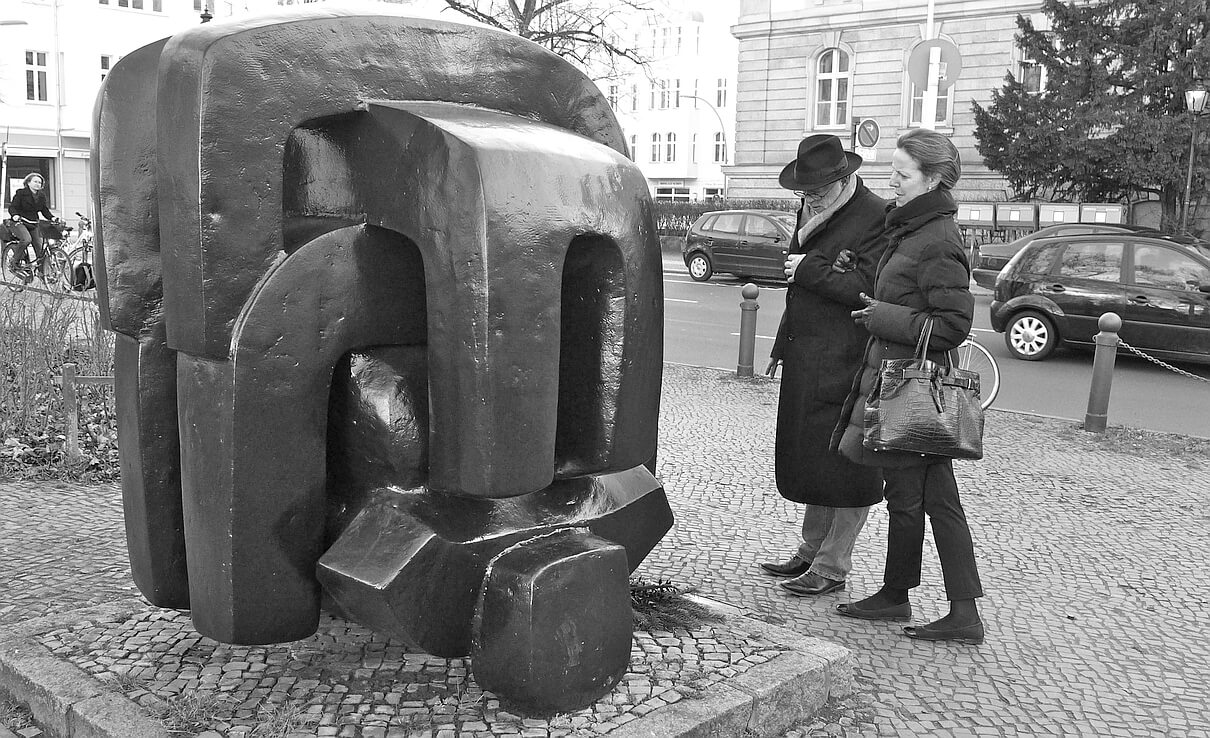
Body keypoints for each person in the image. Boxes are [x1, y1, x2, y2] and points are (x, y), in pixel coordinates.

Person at [831, 128, 985, 644]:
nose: (891, 182)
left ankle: (941, 608)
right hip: (901, 384)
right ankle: (912, 598)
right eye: (892, 171)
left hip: (916, 389)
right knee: (918, 496)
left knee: (921, 499)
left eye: (902, 174)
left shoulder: (938, 239)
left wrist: (882, 317)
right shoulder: (915, 230)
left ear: (933, 180)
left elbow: (953, 324)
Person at [759, 134, 888, 597]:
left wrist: (809, 269)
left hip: (851, 356)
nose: (809, 199)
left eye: (816, 191)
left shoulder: (875, 214)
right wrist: (780, 345)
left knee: (849, 462)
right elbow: (800, 286)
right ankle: (811, 549)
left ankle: (833, 565)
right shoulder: (813, 209)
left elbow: (868, 286)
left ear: (843, 179)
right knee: (813, 454)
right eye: (804, 192)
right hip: (808, 352)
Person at [6, 173, 59, 276]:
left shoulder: (41, 196)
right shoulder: (21, 193)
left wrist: (52, 218)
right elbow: (12, 207)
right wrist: (15, 215)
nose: (38, 184)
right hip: (19, 222)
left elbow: (44, 210)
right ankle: (14, 262)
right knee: (26, 239)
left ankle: (42, 273)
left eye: (40, 182)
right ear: (28, 182)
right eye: (35, 181)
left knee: (40, 248)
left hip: (33, 223)